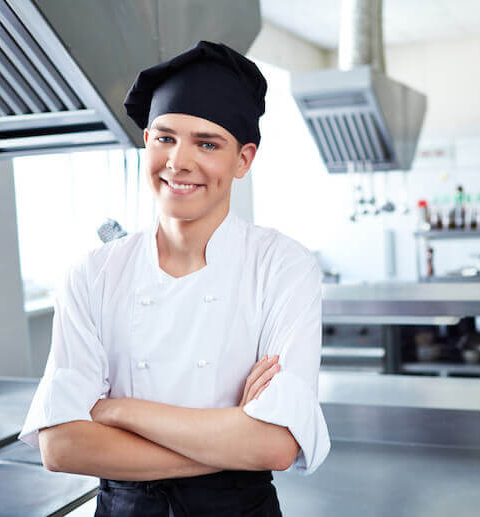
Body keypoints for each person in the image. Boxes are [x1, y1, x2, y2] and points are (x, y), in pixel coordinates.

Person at [18, 41, 330, 516]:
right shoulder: (94, 273)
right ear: (147, 141)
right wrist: (231, 436)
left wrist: (116, 411)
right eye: (165, 137)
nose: (179, 161)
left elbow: (276, 445)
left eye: (207, 143)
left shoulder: (283, 267)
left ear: (243, 159)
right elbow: (61, 447)